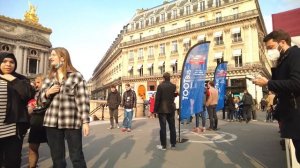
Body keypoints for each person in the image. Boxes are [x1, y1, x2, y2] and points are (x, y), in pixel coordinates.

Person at [253, 30, 300, 163]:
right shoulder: (283, 59)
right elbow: (280, 86)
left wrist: (268, 82)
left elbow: (297, 83)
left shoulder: (295, 55)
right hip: (291, 114)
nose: (268, 51)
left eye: (270, 47)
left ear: (282, 42)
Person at [39, 47, 90, 167]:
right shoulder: (49, 78)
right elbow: (39, 101)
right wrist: (47, 93)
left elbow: (82, 100)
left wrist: (85, 122)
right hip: (51, 123)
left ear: (62, 58)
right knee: (57, 159)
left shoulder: (76, 76)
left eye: (53, 55)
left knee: (77, 157)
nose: (50, 57)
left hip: (71, 121)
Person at [0, 52, 35, 167]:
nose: (8, 64)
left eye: (11, 62)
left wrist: (11, 79)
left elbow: (28, 94)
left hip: (13, 130)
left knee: (13, 161)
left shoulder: (21, 79)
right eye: (4, 61)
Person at [28, 75, 47, 168]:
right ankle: (32, 166)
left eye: (38, 82)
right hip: (36, 122)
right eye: (35, 83)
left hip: (48, 121)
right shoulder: (34, 93)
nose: (36, 85)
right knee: (32, 148)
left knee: (56, 149)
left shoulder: (51, 92)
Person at [154, 72, 176, 150]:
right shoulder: (173, 86)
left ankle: (164, 145)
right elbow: (172, 95)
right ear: (169, 77)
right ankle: (173, 144)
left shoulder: (160, 86)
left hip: (162, 109)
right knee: (172, 126)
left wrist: (155, 110)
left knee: (163, 128)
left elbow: (157, 99)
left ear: (163, 78)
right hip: (171, 109)